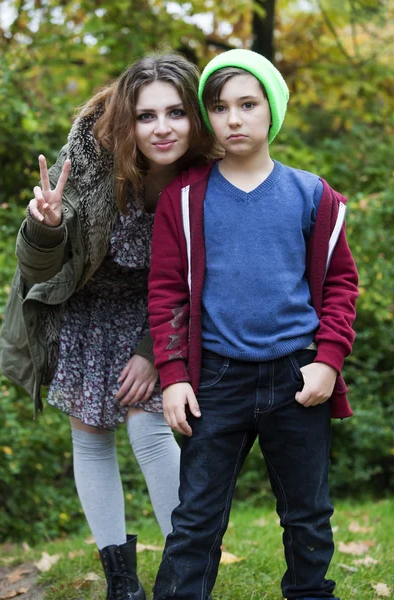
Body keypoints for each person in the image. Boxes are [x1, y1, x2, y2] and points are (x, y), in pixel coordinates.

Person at [0, 52, 216, 600]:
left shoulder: (208, 176)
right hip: (85, 307)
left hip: (160, 311)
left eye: (175, 113)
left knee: (150, 426)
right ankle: (122, 582)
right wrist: (44, 228)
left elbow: (199, 277)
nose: (162, 128)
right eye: (146, 116)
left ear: (195, 116)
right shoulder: (90, 159)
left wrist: (152, 349)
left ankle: (182, 571)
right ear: (127, 119)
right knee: (92, 436)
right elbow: (41, 272)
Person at [148, 49, 359, 600]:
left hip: (297, 377)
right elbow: (168, 292)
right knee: (196, 517)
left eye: (248, 103)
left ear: (273, 109)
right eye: (219, 107)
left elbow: (340, 286)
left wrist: (328, 361)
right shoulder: (186, 197)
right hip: (216, 380)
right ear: (207, 118)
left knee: (308, 515)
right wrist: (172, 375)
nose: (234, 119)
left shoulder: (313, 195)